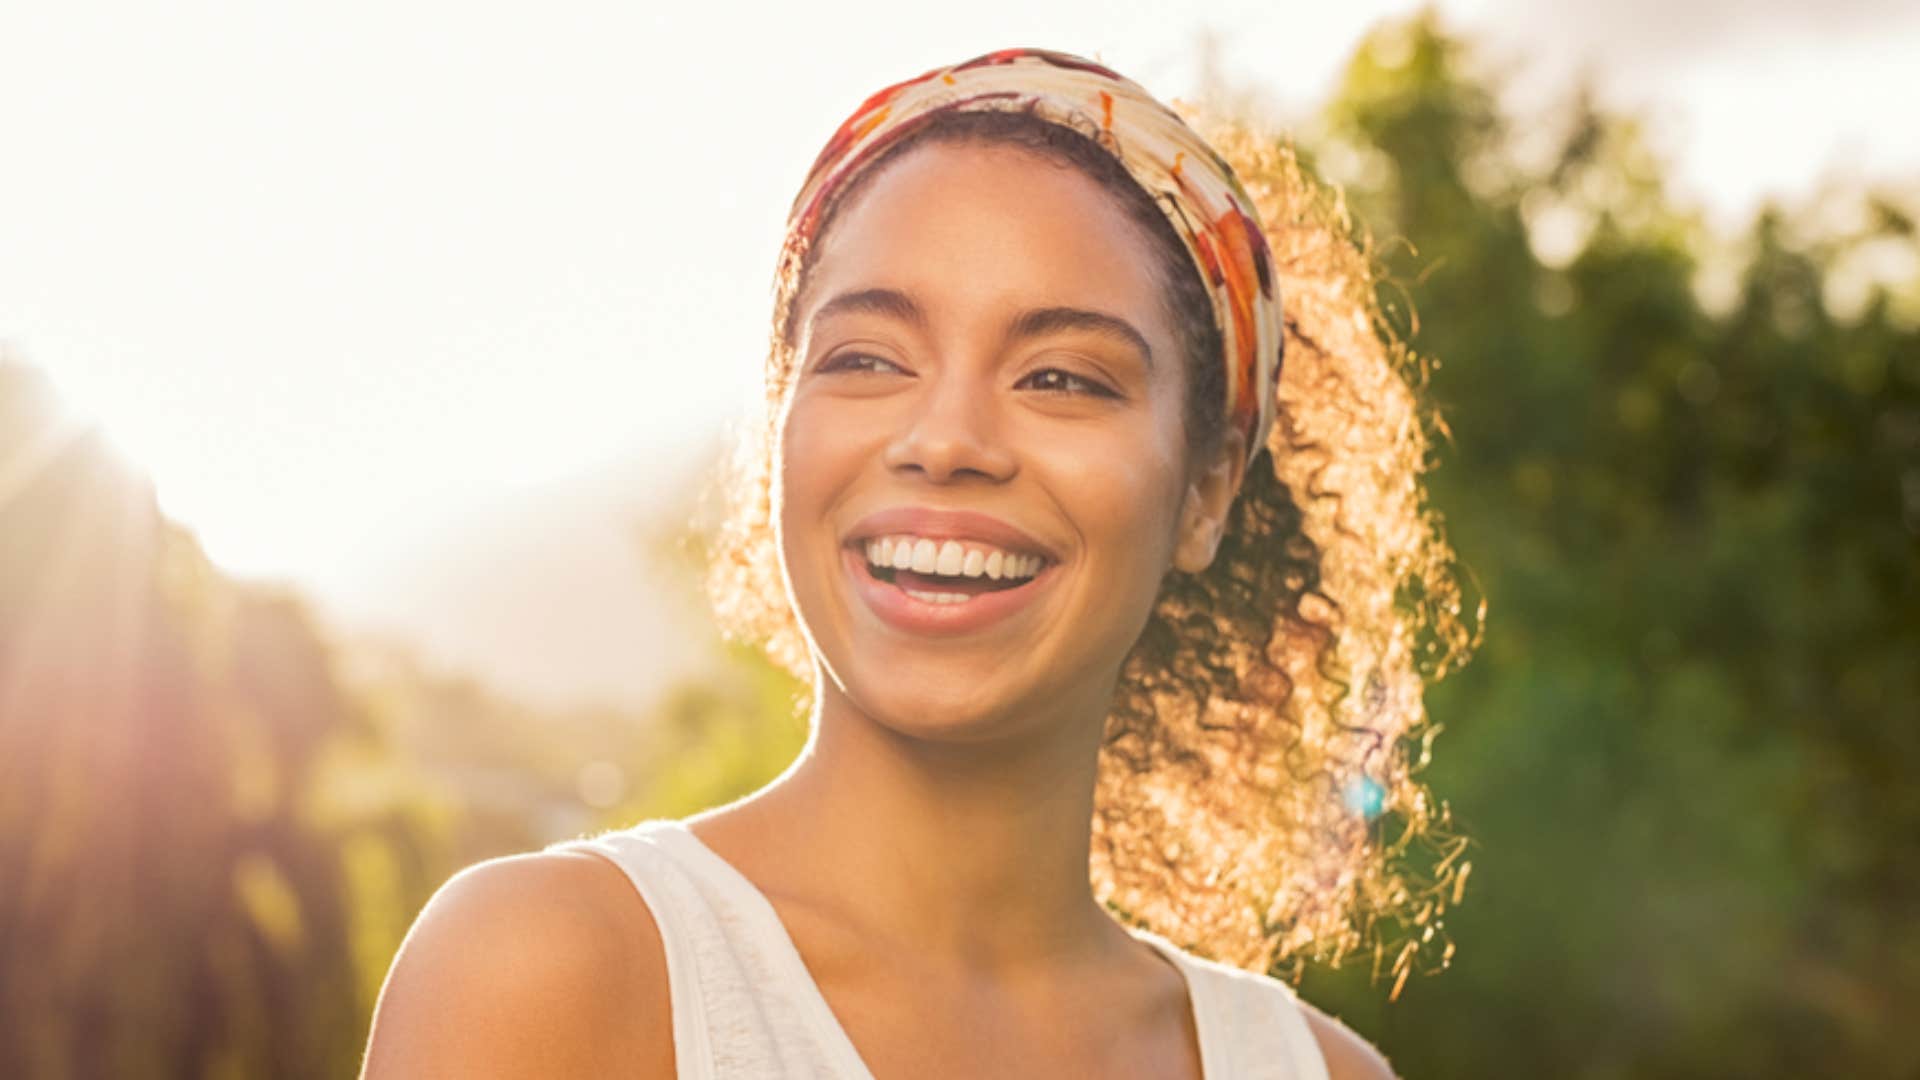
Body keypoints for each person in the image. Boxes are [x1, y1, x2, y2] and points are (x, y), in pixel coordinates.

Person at [362, 46, 1473, 1079]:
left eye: (1062, 378)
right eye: (866, 358)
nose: (943, 441)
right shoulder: (545, 977)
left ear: (1208, 489)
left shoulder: (1313, 1072)